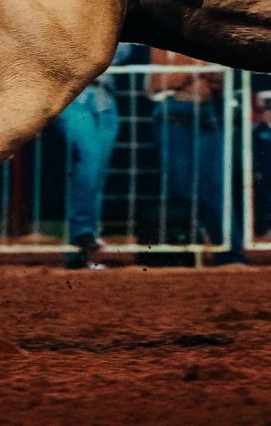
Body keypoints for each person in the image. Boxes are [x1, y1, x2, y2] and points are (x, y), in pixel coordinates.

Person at [148, 56, 243, 264]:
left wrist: (210, 77)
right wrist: (198, 69)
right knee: (181, 190)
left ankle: (229, 254)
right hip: (174, 114)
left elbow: (219, 82)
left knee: (216, 188)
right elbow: (156, 84)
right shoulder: (164, 37)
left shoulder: (206, 41)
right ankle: (184, 253)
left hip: (205, 112)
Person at [59, 44, 138, 268]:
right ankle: (83, 233)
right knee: (89, 158)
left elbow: (125, 49)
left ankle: (80, 252)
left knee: (96, 173)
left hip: (104, 99)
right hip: (73, 97)